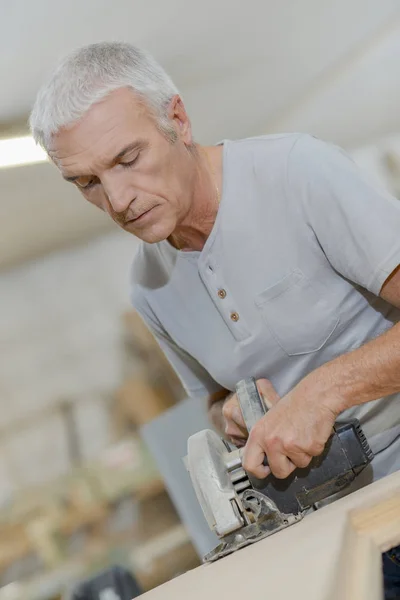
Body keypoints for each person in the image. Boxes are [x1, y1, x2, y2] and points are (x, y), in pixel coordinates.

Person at [30, 42, 400, 597]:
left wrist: (321, 393)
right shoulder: (148, 286)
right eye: (87, 183)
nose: (118, 200)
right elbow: (214, 400)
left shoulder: (297, 173)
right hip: (330, 519)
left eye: (127, 159)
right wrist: (229, 411)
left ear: (176, 118)